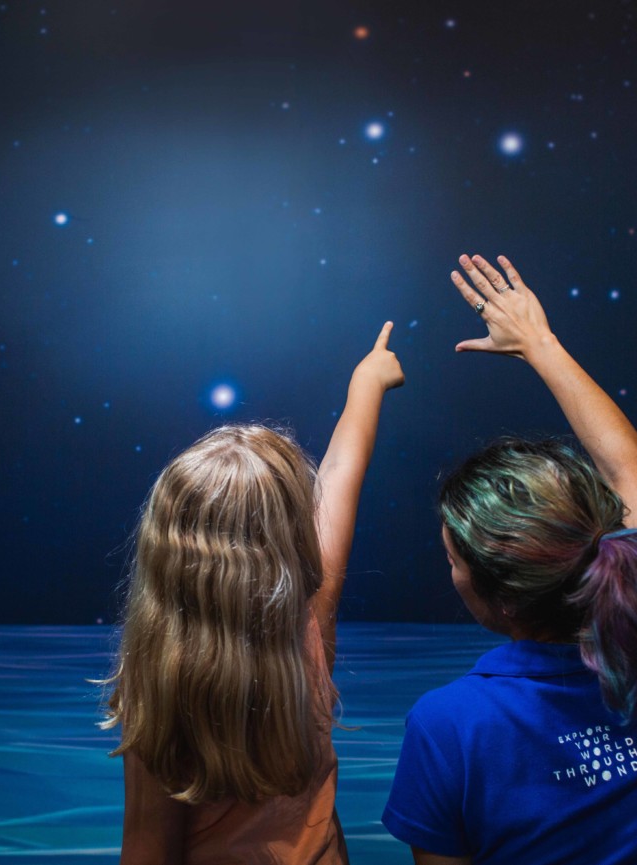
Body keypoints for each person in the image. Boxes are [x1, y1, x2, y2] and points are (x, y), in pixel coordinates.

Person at [382, 255, 637, 865]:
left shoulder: (450, 729)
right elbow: (628, 468)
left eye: (452, 559)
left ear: (506, 597)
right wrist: (539, 343)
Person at [103, 322, 404, 865]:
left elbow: (146, 853)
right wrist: (369, 380)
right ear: (294, 544)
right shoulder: (311, 627)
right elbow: (339, 471)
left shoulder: (162, 691)